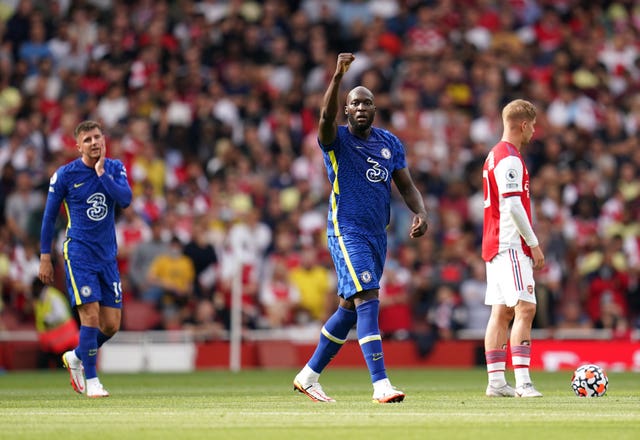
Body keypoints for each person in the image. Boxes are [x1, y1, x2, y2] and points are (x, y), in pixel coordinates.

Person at [292, 53, 428, 404]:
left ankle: (308, 376)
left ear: (374, 109)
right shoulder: (335, 139)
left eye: (367, 102)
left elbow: (406, 184)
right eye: (355, 103)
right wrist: (338, 77)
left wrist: (421, 211)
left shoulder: (389, 144)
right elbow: (324, 115)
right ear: (347, 110)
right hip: (346, 229)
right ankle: (381, 385)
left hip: (376, 235)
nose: (361, 107)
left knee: (349, 307)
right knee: (368, 298)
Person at [38, 120, 132, 398]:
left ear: (104, 140)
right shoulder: (65, 175)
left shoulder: (114, 168)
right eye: (87, 139)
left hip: (107, 257)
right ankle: (92, 380)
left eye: (97, 137)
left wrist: (103, 175)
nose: (93, 143)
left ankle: (77, 356)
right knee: (89, 315)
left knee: (111, 325)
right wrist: (45, 257)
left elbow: (125, 199)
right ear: (78, 146)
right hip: (79, 254)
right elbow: (48, 217)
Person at [481, 99, 545, 398]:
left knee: (502, 312)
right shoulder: (509, 158)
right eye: (532, 125)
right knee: (526, 307)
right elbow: (513, 204)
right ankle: (523, 383)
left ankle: (496, 383)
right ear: (523, 124)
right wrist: (532, 244)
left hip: (494, 243)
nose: (533, 131)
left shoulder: (494, 155)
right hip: (509, 244)